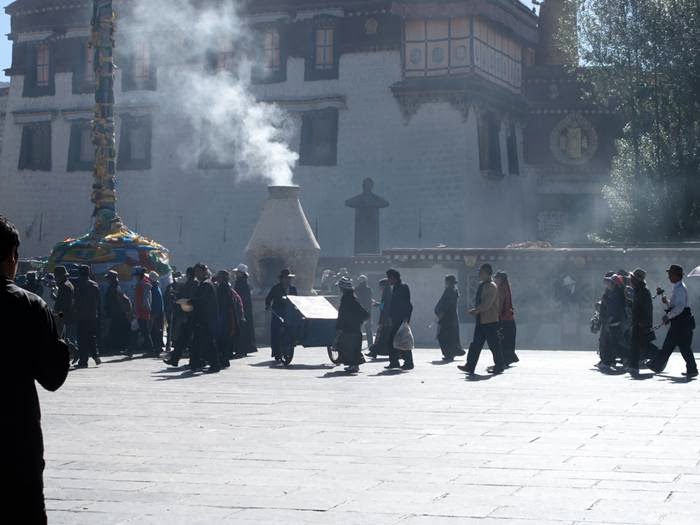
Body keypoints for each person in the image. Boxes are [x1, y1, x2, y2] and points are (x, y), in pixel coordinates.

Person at [1, 215, 70, 524]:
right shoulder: (29, 306)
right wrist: (61, 340)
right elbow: (52, 377)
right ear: (12, 255)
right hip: (14, 440)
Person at [648, 265, 698, 378]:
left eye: (671, 274)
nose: (669, 276)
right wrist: (667, 302)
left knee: (669, 345)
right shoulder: (678, 287)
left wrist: (668, 316)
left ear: (677, 275)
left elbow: (680, 307)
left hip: (681, 322)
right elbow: (676, 305)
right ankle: (692, 369)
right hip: (683, 321)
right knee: (684, 347)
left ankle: (656, 365)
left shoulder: (680, 289)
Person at [458, 263, 505, 376]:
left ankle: (499, 366)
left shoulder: (492, 286)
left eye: (482, 272)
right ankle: (470, 365)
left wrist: (476, 310)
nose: (479, 274)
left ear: (488, 274)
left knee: (494, 344)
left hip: (490, 320)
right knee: (476, 344)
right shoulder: (482, 285)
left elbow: (487, 304)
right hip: (481, 319)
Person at [163, 267, 197, 367]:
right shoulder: (191, 284)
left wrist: (177, 299)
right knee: (183, 339)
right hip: (186, 314)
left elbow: (188, 299)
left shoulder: (192, 284)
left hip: (188, 315)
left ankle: (192, 361)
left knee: (188, 339)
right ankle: (175, 359)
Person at [190, 263, 221, 372]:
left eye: (198, 271)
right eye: (195, 272)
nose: (196, 274)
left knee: (208, 342)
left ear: (204, 272)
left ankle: (214, 365)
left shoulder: (206, 285)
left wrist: (189, 302)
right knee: (197, 341)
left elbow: (201, 301)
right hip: (203, 318)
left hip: (205, 318)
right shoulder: (204, 284)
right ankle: (195, 363)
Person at [335, 277, 370, 373]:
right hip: (354, 327)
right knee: (353, 347)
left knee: (349, 346)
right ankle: (354, 364)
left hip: (349, 327)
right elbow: (363, 313)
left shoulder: (347, 299)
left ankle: (354, 365)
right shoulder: (352, 298)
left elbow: (342, 314)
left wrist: (339, 326)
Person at [265, 269, 298, 362]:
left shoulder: (293, 289)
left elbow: (297, 300)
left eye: (289, 278)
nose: (288, 280)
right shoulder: (276, 288)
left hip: (290, 313)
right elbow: (268, 298)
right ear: (282, 279)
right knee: (276, 333)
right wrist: (267, 305)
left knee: (290, 331)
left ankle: (289, 348)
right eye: (286, 278)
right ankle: (277, 353)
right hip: (278, 312)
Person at [596, 274, 627, 371]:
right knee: (612, 343)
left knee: (612, 343)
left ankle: (608, 361)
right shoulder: (613, 293)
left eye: (610, 282)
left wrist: (610, 319)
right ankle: (609, 361)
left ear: (614, 284)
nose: (608, 283)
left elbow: (615, 309)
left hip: (614, 322)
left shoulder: (616, 295)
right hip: (612, 321)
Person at [73, 265, 101, 368]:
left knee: (82, 339)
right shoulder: (94, 285)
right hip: (93, 315)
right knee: (91, 336)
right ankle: (96, 355)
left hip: (81, 315)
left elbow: (76, 300)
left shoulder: (78, 284)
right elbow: (98, 301)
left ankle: (83, 361)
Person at [385, 269, 414, 370]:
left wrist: (406, 318)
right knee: (399, 340)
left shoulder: (403, 287)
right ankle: (398, 362)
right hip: (396, 319)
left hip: (401, 319)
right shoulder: (396, 288)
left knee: (400, 340)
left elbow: (408, 304)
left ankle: (405, 362)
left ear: (394, 277)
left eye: (389, 278)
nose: (388, 280)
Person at [627, 268, 653, 377]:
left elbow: (647, 309)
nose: (630, 281)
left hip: (641, 323)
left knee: (638, 345)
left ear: (637, 280)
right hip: (637, 322)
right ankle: (633, 366)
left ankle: (633, 366)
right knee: (640, 345)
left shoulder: (643, 292)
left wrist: (644, 322)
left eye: (632, 279)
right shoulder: (638, 291)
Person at [434, 274, 464, 361]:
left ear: (449, 282)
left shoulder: (450, 291)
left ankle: (449, 353)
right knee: (450, 336)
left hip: (447, 317)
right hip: (451, 317)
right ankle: (451, 353)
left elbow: (446, 304)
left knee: (444, 336)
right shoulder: (454, 291)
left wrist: (441, 313)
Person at [103, 270, 132, 357]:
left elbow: (114, 302)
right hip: (117, 313)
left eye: (108, 278)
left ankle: (117, 347)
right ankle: (118, 347)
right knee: (117, 330)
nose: (107, 280)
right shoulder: (116, 287)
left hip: (115, 314)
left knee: (115, 331)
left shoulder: (113, 288)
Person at [494, 271, 518, 366]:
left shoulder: (501, 289)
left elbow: (500, 304)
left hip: (503, 318)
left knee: (503, 340)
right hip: (510, 318)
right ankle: (509, 357)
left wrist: (497, 316)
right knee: (509, 339)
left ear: (500, 279)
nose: (495, 280)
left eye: (496, 278)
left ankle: (505, 359)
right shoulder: (507, 287)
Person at [234, 263, 257, 355]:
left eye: (238, 273)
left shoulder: (241, 283)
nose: (236, 274)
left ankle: (242, 349)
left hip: (243, 309)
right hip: (245, 309)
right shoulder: (243, 282)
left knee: (243, 329)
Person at [367, 278, 391, 358]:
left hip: (385, 319)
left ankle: (374, 352)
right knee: (383, 337)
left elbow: (385, 306)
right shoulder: (388, 293)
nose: (379, 288)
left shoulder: (387, 294)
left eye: (380, 286)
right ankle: (374, 352)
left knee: (380, 336)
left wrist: (377, 305)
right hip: (387, 319)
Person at [133, 267, 154, 355]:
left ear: (139, 276)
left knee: (143, 331)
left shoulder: (142, 284)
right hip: (142, 310)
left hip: (142, 311)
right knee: (140, 330)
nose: (135, 277)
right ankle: (131, 349)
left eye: (136, 275)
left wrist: (142, 308)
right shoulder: (144, 283)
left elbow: (144, 299)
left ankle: (151, 350)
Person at [354, 275, 374, 349]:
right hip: (367, 310)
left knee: (358, 329)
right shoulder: (368, 289)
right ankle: (370, 345)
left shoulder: (356, 289)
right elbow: (369, 301)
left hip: (358, 311)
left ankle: (357, 344)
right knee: (368, 329)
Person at [149, 271, 165, 355]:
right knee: (158, 331)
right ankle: (158, 347)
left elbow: (155, 302)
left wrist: (153, 315)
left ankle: (156, 348)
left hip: (156, 313)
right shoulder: (157, 287)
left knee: (155, 331)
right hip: (159, 312)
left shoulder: (153, 288)